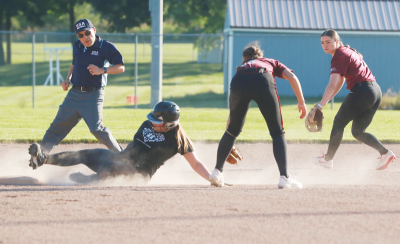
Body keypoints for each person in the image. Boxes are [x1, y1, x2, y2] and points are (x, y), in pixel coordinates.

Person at [28, 101, 212, 184]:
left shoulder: (178, 139)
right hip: (122, 158)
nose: (152, 123)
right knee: (86, 154)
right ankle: (43, 159)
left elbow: (196, 163)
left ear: (169, 124)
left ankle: (89, 181)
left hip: (140, 173)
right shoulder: (148, 124)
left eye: (158, 122)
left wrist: (212, 178)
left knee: (110, 166)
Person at [209, 42, 307, 189]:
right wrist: (301, 102)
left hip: (239, 80)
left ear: (245, 58)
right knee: (277, 132)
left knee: (232, 131)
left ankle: (217, 172)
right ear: (260, 56)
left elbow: (232, 114)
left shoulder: (241, 68)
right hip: (262, 78)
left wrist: (231, 137)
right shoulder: (268, 61)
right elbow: (292, 77)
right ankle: (284, 177)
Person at [31, 18, 124, 168]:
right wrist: (67, 79)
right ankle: (40, 156)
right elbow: (74, 63)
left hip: (93, 95)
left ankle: (124, 158)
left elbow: (120, 67)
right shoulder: (77, 46)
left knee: (96, 129)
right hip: (74, 94)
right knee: (57, 126)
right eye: (80, 35)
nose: (85, 37)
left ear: (94, 30)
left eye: (87, 33)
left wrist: (102, 70)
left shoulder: (105, 47)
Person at [311, 29, 396, 170]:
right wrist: (323, 103)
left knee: (338, 122)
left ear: (337, 41)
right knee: (358, 131)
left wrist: (319, 105)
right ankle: (385, 153)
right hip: (374, 91)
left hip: (362, 91)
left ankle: (327, 159)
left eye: (328, 42)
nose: (325, 45)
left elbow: (332, 84)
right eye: (322, 43)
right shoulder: (346, 52)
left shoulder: (339, 55)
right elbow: (339, 83)